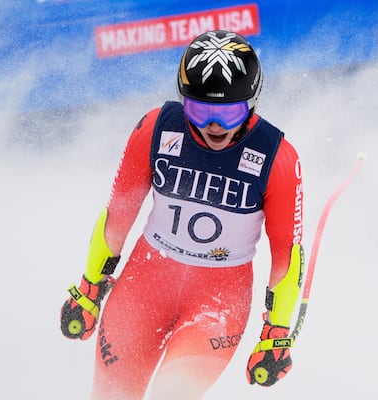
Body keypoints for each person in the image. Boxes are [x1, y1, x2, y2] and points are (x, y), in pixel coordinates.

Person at [60, 29, 304, 399]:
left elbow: (286, 257)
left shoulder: (278, 158)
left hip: (217, 304)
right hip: (144, 286)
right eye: (200, 109)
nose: (214, 126)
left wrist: (277, 333)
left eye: (228, 112)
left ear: (251, 103)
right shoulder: (156, 129)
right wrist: (89, 287)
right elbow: (117, 217)